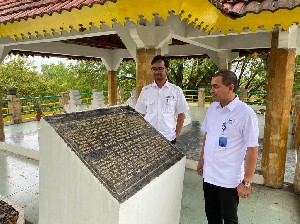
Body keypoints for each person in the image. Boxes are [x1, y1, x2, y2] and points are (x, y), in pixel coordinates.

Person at [197, 70, 259, 224]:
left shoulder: (245, 113)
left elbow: (252, 148)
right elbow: (207, 136)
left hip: (228, 180)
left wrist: (247, 181)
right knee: (212, 216)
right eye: (211, 86)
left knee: (229, 219)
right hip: (209, 176)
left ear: (231, 87)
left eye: (216, 86)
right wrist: (201, 161)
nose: (212, 90)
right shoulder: (213, 108)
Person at [135, 55, 189, 144]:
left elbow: (181, 115)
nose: (157, 72)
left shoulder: (176, 90)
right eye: (154, 69)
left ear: (166, 69)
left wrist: (176, 135)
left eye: (160, 69)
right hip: (149, 138)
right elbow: (140, 114)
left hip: (169, 138)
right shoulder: (146, 91)